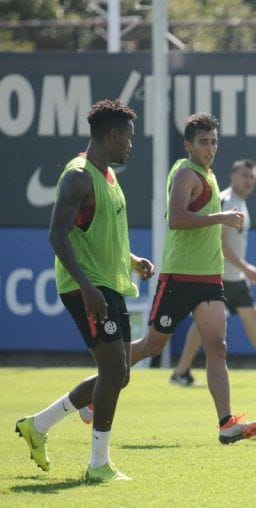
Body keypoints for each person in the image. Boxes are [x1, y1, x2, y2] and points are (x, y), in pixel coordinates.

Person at [22, 113, 256, 454]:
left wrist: (132, 260)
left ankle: (226, 423)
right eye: (203, 142)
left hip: (209, 276)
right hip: (178, 276)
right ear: (188, 145)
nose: (210, 149)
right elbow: (177, 219)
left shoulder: (205, 175)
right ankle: (90, 405)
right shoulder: (183, 173)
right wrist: (220, 217)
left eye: (214, 142)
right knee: (148, 348)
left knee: (217, 346)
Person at [15, 99, 154, 482]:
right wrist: (86, 286)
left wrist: (133, 260)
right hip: (88, 288)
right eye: (127, 137)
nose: (130, 145)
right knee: (113, 370)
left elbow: (101, 235)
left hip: (108, 283)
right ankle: (98, 466)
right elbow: (57, 236)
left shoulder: (108, 176)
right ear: (111, 135)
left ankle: (38, 425)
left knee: (119, 374)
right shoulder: (77, 176)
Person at [169, 159, 256, 387]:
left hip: (234, 276)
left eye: (252, 177)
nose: (248, 181)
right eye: (244, 175)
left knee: (247, 317)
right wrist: (246, 267)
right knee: (206, 324)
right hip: (220, 274)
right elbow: (219, 242)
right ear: (232, 176)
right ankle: (181, 372)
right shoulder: (226, 201)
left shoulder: (240, 203)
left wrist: (241, 270)